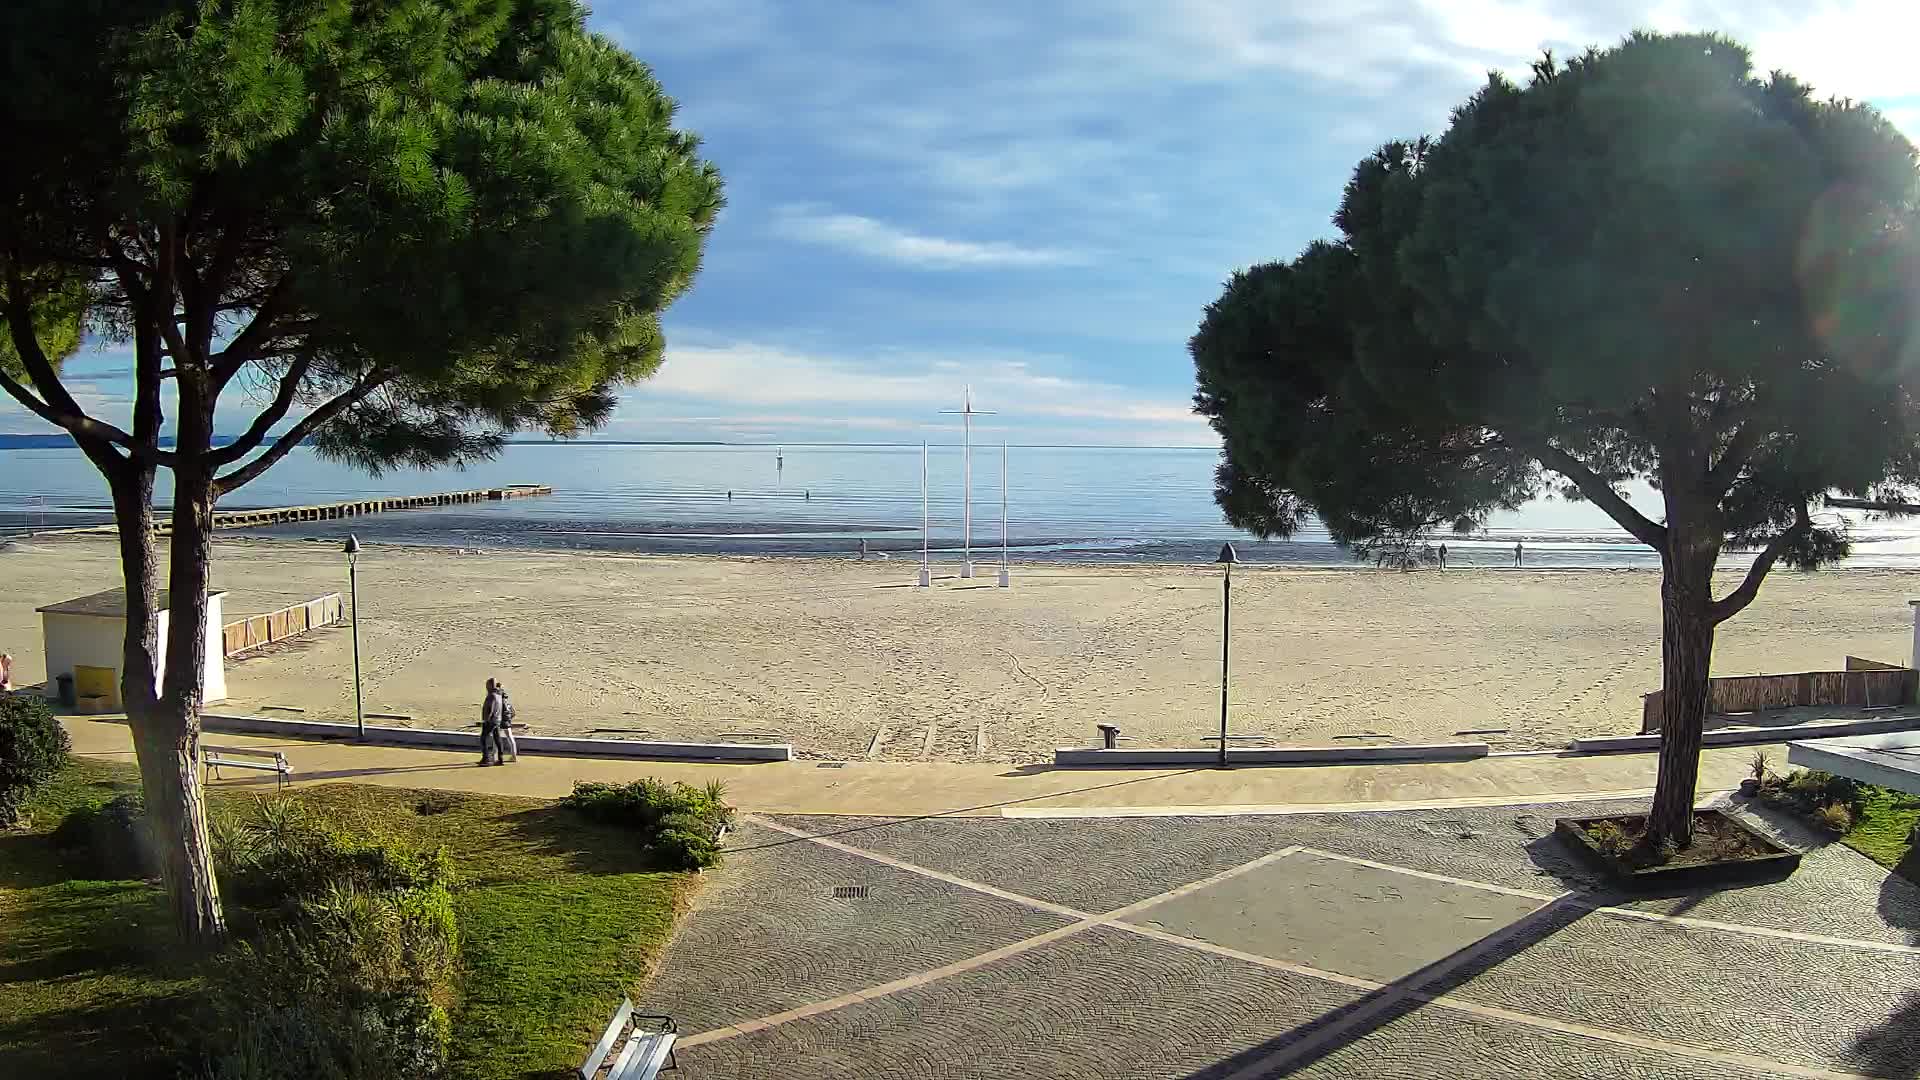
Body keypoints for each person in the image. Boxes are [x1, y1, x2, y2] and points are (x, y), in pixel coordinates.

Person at [479, 678, 505, 765]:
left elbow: (490, 709)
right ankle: (501, 758)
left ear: (490, 685)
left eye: (487, 685)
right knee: (497, 739)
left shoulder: (491, 696)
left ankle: (486, 759)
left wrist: (486, 720)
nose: (486, 687)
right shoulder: (499, 695)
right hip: (498, 720)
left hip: (491, 721)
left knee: (483, 739)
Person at [496, 681, 519, 763]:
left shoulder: (498, 701)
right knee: (511, 739)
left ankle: (496, 756)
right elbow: (513, 713)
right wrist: (509, 719)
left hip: (500, 722)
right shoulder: (508, 703)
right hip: (507, 722)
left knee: (497, 740)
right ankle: (514, 756)